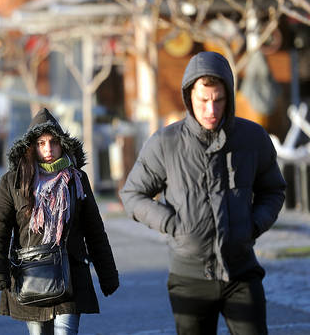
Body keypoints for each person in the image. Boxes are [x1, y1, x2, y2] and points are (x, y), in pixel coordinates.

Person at [119, 51, 286, 335]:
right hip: (190, 278)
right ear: (189, 98)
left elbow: (273, 190)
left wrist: (254, 224)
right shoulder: (165, 143)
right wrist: (173, 225)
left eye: (218, 100)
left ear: (229, 97)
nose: (211, 110)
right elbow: (133, 195)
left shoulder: (253, 138)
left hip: (241, 272)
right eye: (203, 101)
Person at [0, 108, 119, 335]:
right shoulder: (13, 181)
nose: (48, 149)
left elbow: (94, 230)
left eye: (53, 142)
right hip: (31, 275)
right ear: (31, 147)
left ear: (62, 144)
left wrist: (107, 275)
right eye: (41, 143)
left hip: (71, 274)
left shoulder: (76, 179)